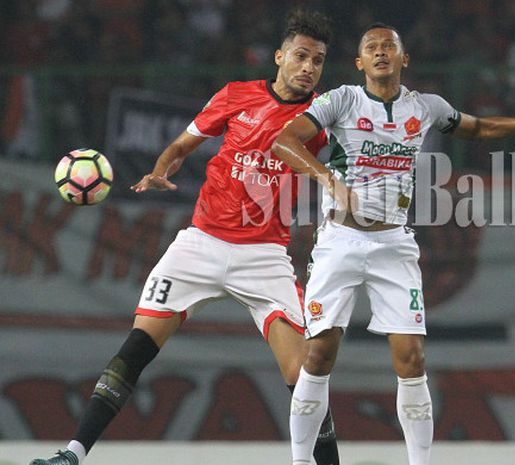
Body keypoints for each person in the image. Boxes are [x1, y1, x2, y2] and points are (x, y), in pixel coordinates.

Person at [30, 10, 340, 465]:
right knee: (138, 346)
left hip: (265, 256)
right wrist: (162, 166)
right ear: (279, 56)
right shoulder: (236, 96)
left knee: (305, 373)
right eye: (301, 55)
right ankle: (72, 454)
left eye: (318, 60)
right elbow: (182, 145)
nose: (309, 67)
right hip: (201, 244)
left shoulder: (322, 115)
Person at [272, 22, 515, 465]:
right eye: (371, 48)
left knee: (412, 358)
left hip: (394, 243)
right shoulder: (340, 100)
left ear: (404, 59)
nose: (380, 53)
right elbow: (285, 140)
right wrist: (327, 179)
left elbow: (478, 128)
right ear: (359, 62)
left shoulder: (426, 107)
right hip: (339, 241)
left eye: (389, 47)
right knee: (318, 355)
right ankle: (301, 462)